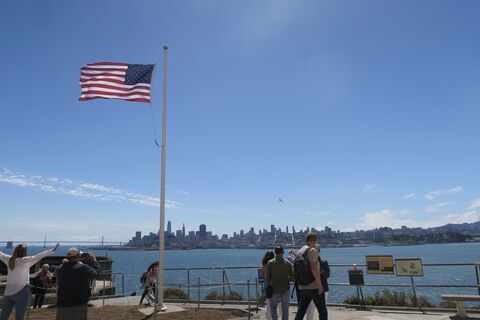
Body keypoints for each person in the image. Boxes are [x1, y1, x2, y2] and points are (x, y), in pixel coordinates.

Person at [0, 243, 59, 320]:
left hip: (8, 291)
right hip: (22, 291)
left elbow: (0, 254)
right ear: (24, 252)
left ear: (15, 251)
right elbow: (39, 256)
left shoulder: (8, 259)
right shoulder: (26, 260)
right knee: (20, 317)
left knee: (3, 317)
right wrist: (52, 250)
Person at [55, 248, 101, 320]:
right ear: (78, 255)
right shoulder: (83, 267)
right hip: (79, 303)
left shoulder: (59, 269)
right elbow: (96, 274)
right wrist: (94, 261)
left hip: (63, 303)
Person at [294, 233, 327, 320]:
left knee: (301, 311)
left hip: (302, 286)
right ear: (313, 241)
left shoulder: (300, 251)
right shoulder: (312, 250)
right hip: (314, 286)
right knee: (323, 311)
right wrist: (320, 285)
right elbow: (314, 268)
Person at [266, 245, 294, 320]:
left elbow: (267, 278)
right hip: (285, 290)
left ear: (275, 253)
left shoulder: (270, 263)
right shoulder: (288, 263)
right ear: (283, 253)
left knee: (273, 307)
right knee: (285, 309)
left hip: (274, 290)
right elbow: (292, 278)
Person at [261, 250, 275, 320]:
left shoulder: (263, 265)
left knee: (268, 306)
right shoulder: (273, 264)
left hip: (267, 287)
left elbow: (263, 277)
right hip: (274, 286)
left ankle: (269, 318)